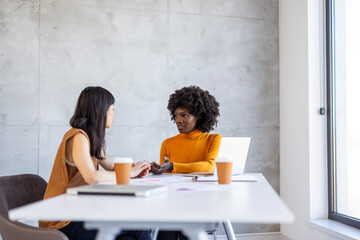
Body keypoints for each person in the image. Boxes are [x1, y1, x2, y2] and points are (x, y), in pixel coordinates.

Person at [39, 86, 151, 240]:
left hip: (78, 212)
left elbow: (111, 166)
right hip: (63, 220)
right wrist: (129, 173)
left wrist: (134, 170)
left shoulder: (91, 139)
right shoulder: (78, 137)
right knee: (139, 226)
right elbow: (91, 176)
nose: (113, 114)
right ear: (101, 111)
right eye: (112, 109)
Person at [151, 86, 222, 239]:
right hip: (172, 203)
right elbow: (164, 178)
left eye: (184, 115)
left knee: (187, 230)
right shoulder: (167, 143)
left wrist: (173, 166)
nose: (178, 120)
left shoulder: (213, 139)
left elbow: (209, 166)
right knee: (164, 231)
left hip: (201, 203)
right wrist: (158, 170)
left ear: (200, 116)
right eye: (176, 115)